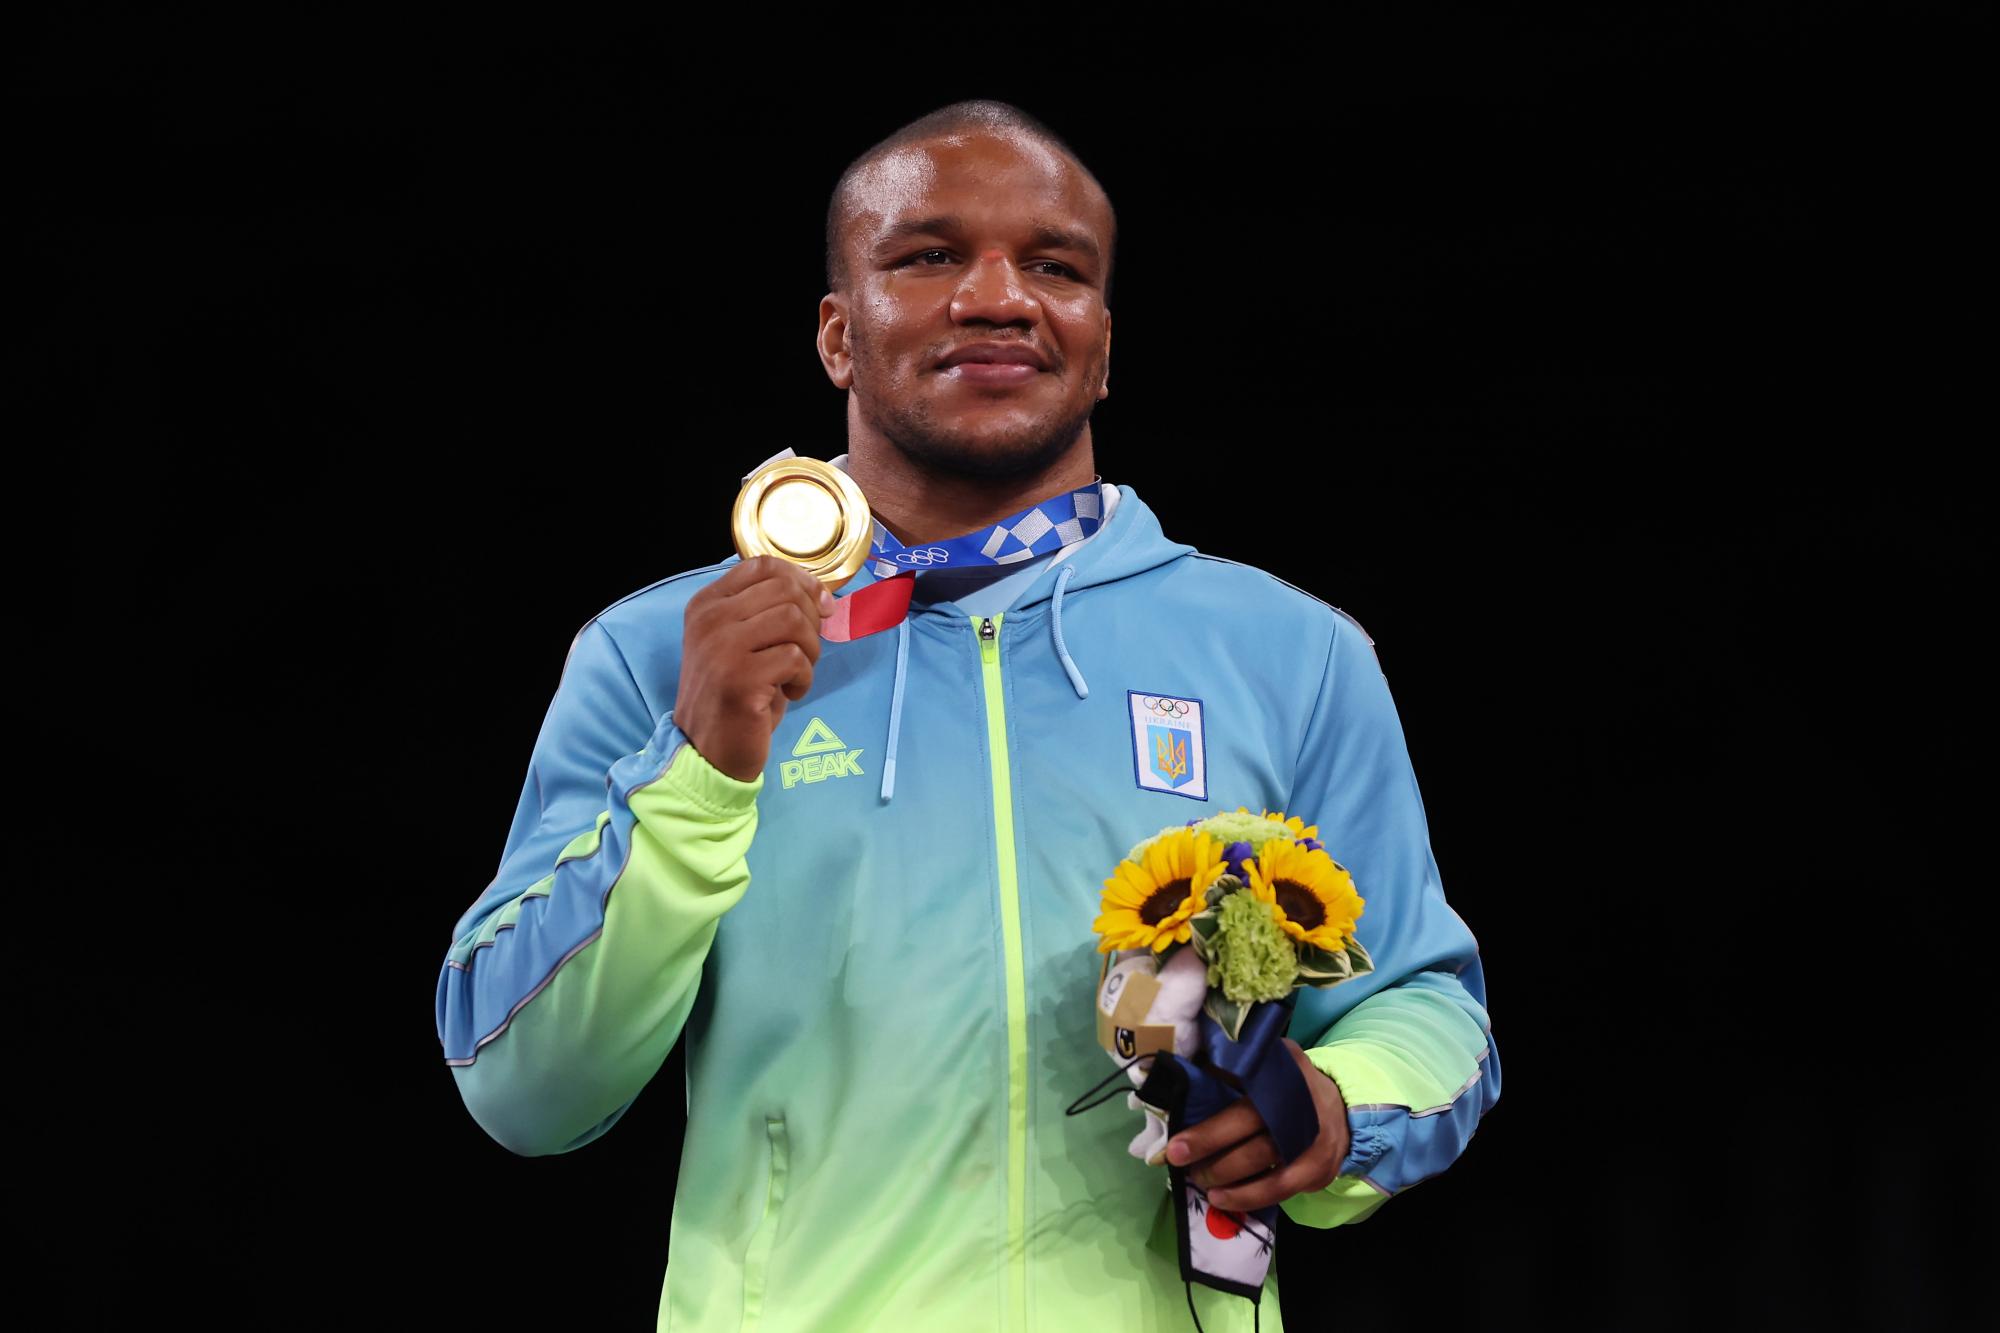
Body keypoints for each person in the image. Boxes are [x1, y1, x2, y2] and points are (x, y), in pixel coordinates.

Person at [434, 99, 1501, 1333]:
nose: (999, 298)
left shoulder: (1289, 654)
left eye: (1055, 268)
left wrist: (1331, 1104)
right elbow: (521, 1085)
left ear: (1102, 344)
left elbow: (1427, 1008)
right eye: (929, 255)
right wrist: (698, 770)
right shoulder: (663, 654)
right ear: (837, 334)